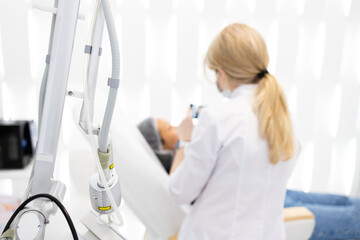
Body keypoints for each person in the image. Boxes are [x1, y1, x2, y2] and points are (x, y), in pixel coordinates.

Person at [166, 23, 297, 240]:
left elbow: (179, 192)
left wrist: (184, 141)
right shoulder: (287, 121)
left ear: (222, 72)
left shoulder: (217, 119)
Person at [138, 117, 360, 240]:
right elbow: (185, 191)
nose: (175, 125)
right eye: (168, 128)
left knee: (348, 203)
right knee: (354, 217)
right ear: (162, 147)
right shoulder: (180, 176)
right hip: (270, 210)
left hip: (272, 195)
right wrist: (186, 141)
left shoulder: (188, 156)